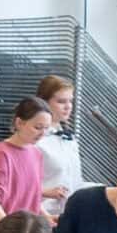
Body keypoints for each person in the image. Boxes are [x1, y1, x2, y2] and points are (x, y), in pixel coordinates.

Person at [0, 99, 51, 233]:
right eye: (38, 127)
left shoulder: (36, 153)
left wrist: (45, 215)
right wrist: (10, 231)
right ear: (19, 123)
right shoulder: (1, 153)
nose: (42, 133)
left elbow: (31, 194)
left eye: (46, 129)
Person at [34, 73, 84, 217]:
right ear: (44, 102)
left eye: (70, 101)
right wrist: (44, 192)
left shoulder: (70, 139)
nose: (68, 106)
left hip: (68, 215)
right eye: (62, 101)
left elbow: (76, 182)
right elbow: (20, 186)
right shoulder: (36, 141)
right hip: (41, 216)